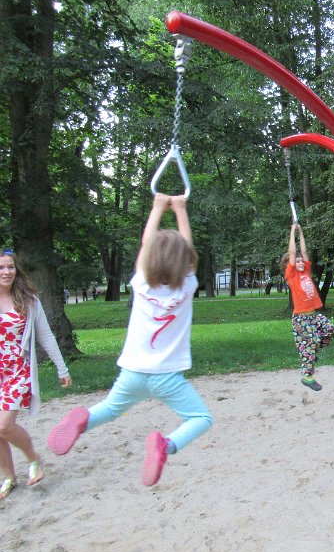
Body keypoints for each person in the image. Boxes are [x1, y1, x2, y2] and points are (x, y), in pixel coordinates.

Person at [47, 194, 212, 486]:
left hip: (133, 372)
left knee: (110, 409)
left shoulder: (141, 283)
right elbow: (185, 249)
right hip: (167, 377)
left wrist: (158, 208)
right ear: (187, 263)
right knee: (201, 418)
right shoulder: (186, 287)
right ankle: (166, 445)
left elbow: (147, 245)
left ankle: (82, 420)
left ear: (148, 260)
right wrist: (181, 209)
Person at [0, 249, 72, 499]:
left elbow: (46, 336)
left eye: (10, 267)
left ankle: (34, 458)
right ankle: (9, 477)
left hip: (17, 371)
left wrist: (62, 368)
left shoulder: (28, 300)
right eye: (1, 268)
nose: (6, 272)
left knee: (4, 425)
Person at [279, 223, 334, 392]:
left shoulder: (305, 272)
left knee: (330, 329)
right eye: (296, 261)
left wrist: (301, 232)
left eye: (301, 261)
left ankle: (313, 349)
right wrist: (292, 232)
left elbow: (303, 251)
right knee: (308, 347)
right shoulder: (292, 275)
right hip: (302, 318)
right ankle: (307, 377)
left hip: (314, 315)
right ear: (290, 265)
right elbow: (292, 253)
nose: (300, 262)